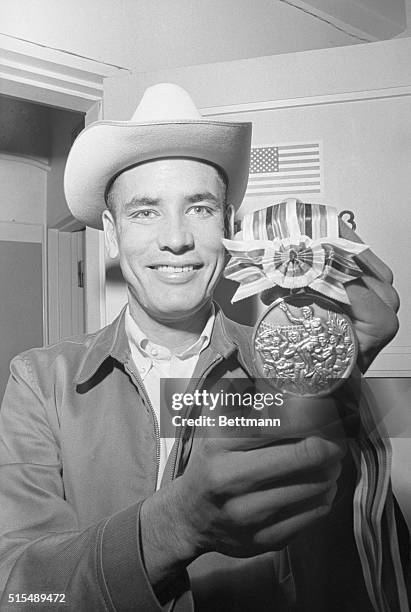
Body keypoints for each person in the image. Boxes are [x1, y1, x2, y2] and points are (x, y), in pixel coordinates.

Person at [0, 83, 408, 612]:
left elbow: (345, 564)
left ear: (231, 227)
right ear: (109, 232)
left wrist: (333, 387)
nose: (176, 239)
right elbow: (22, 590)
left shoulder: (277, 367)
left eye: (199, 208)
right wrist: (174, 526)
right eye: (145, 211)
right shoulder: (41, 382)